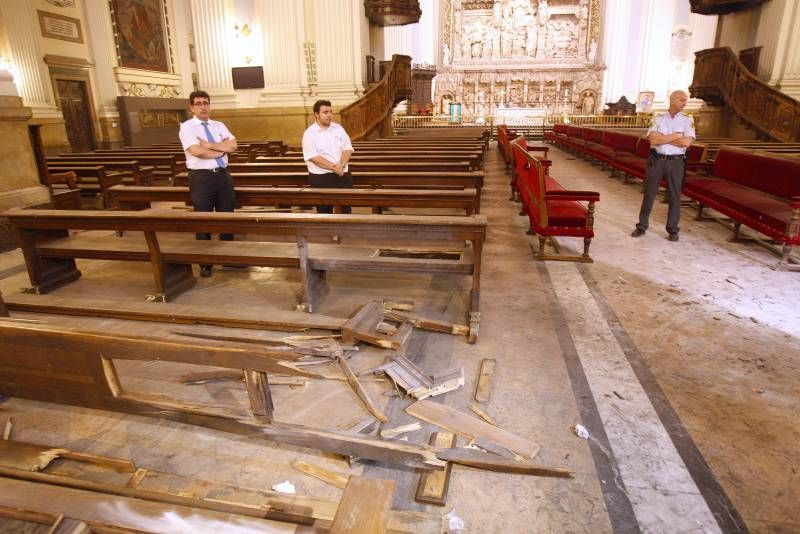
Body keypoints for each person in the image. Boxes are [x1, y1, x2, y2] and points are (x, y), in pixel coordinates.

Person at [179, 90, 238, 277]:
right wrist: (221, 150)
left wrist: (209, 145)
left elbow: (234, 145)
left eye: (206, 102)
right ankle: (205, 262)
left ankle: (228, 256)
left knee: (227, 216)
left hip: (222, 176)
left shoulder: (218, 125)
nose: (203, 106)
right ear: (191, 107)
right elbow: (196, 151)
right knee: (203, 219)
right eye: (198, 103)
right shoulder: (187, 127)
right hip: (201, 178)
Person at [631, 90, 695, 242]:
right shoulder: (658, 117)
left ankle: (673, 230)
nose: (685, 102)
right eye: (681, 99)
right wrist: (675, 136)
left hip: (676, 162)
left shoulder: (687, 119)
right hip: (657, 160)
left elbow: (686, 143)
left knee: (674, 196)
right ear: (672, 100)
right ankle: (642, 226)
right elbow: (653, 141)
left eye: (685, 100)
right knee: (649, 194)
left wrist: (663, 139)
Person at [302, 100, 354, 214]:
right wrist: (334, 167)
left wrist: (341, 164)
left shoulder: (338, 128)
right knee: (325, 213)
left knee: (346, 211)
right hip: (321, 178)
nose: (329, 115)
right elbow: (313, 157)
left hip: (342, 175)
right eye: (325, 112)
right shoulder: (309, 133)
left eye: (331, 112)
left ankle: (346, 232)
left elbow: (348, 148)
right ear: (316, 114)